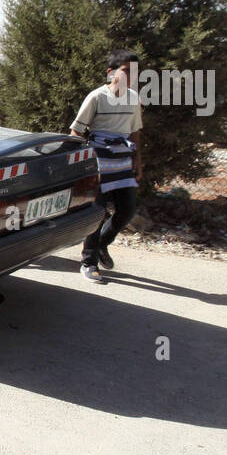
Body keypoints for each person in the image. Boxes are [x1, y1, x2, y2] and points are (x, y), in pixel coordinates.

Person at [70, 49, 143, 283]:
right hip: (98, 159)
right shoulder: (97, 97)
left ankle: (102, 242)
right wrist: (83, 162)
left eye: (134, 72)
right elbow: (76, 131)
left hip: (122, 160)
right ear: (111, 73)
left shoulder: (133, 98)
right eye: (125, 71)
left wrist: (137, 160)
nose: (130, 76)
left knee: (127, 209)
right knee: (97, 210)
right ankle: (89, 262)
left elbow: (135, 131)